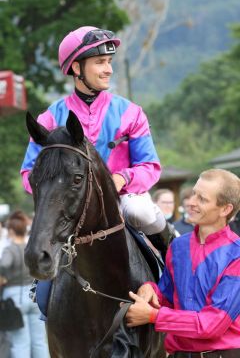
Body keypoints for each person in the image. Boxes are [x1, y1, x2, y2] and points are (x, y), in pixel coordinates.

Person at [20, 25, 174, 249]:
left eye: (109, 62)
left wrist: (122, 178)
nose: (109, 69)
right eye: (100, 62)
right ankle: (39, 285)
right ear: (77, 67)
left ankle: (172, 254)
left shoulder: (132, 113)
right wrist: (60, 190)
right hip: (69, 206)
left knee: (140, 211)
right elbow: (28, 173)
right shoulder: (49, 119)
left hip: (122, 200)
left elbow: (150, 166)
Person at [125, 168, 240, 358]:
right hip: (179, 354)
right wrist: (150, 289)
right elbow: (167, 297)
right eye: (194, 193)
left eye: (202, 199)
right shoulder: (178, 245)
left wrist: (154, 316)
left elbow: (213, 324)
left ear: (225, 209)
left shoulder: (236, 255)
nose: (191, 202)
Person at [0, 210, 49, 358]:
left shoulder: (10, 249)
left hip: (15, 299)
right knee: (39, 341)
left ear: (11, 230)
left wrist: (3, 275)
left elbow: (5, 264)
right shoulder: (31, 247)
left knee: (21, 342)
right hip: (33, 296)